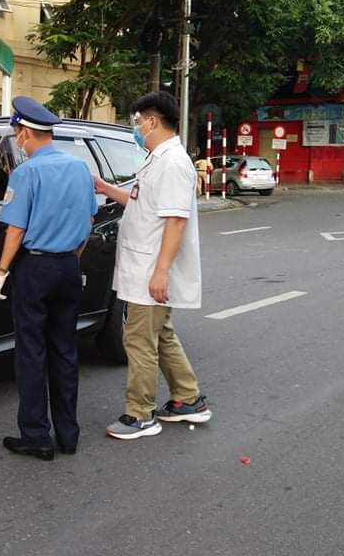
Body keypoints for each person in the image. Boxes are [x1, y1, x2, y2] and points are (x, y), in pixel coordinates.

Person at [93, 91, 212, 440]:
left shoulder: (173, 162)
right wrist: (103, 187)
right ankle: (187, 399)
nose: (136, 128)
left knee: (139, 339)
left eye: (137, 121)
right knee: (161, 335)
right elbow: (136, 199)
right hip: (143, 266)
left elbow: (175, 220)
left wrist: (161, 272)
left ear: (152, 121)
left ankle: (140, 414)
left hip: (150, 270)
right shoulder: (156, 159)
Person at [0, 96, 96, 460]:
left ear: (24, 133)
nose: (18, 139)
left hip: (34, 270)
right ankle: (68, 435)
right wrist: (70, 257)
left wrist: (2, 271)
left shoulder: (27, 172)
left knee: (32, 353)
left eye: (18, 133)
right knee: (65, 351)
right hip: (69, 267)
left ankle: (36, 435)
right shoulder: (80, 168)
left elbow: (15, 230)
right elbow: (88, 223)